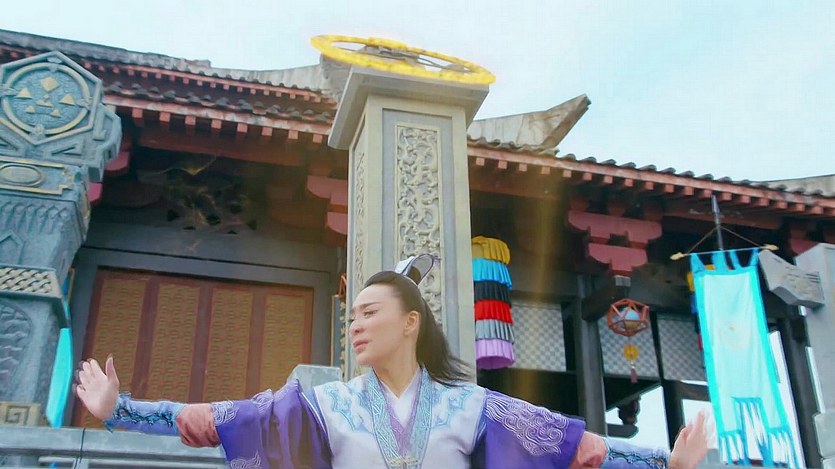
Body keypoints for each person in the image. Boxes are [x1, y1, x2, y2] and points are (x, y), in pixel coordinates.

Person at [75, 254, 709, 469]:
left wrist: (664, 462)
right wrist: (121, 410)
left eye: (370, 312)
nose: (355, 324)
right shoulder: (325, 405)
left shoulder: (472, 406)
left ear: (411, 323)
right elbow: (217, 419)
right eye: (352, 315)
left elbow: (575, 447)